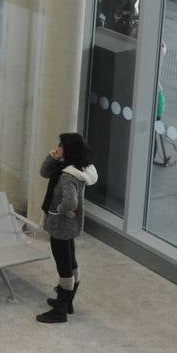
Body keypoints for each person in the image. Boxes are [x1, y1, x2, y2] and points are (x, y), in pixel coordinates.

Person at [36, 133, 99, 324]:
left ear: (69, 149)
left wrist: (60, 210)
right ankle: (67, 301)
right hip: (67, 225)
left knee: (64, 266)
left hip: (61, 225)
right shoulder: (70, 167)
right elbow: (44, 172)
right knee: (70, 261)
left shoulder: (68, 176)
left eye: (61, 145)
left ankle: (61, 310)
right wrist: (53, 157)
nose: (58, 147)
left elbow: (70, 201)